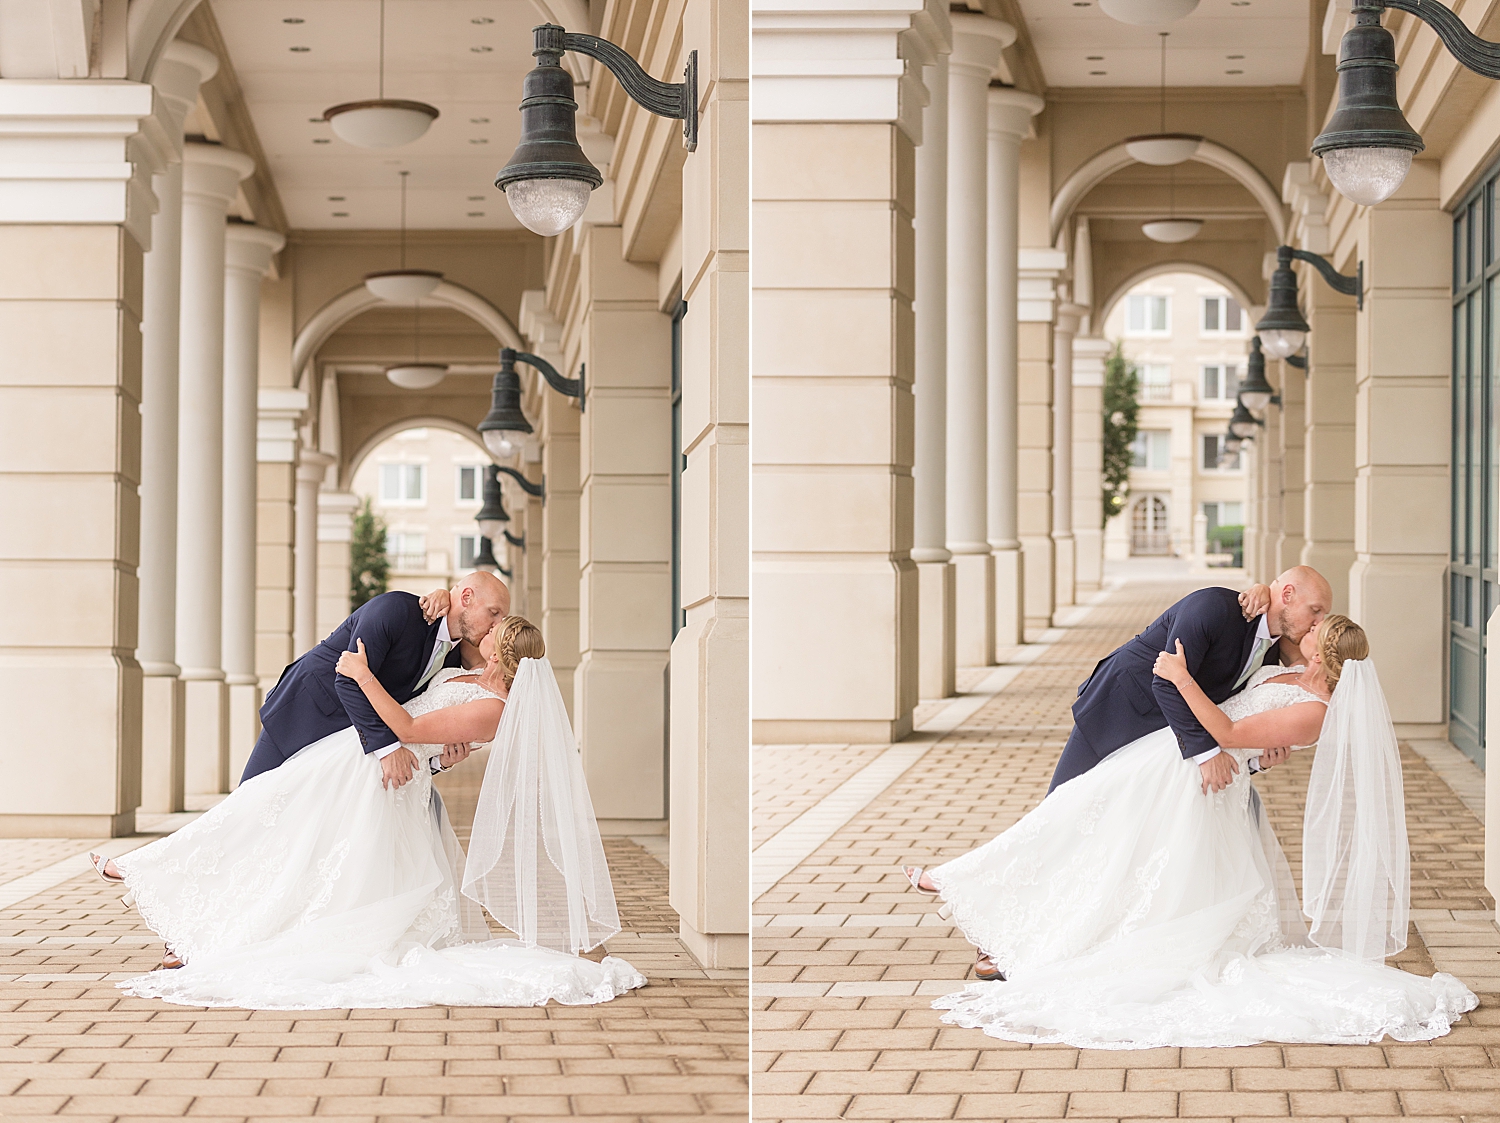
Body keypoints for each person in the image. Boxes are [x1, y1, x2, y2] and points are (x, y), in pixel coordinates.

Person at [900, 615, 1476, 1047]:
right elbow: (1248, 708)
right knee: (1082, 823)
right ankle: (973, 892)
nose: (1307, 625)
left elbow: (1227, 726)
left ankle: (962, 885)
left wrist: (1180, 675)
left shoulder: (1317, 711)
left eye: (1316, 626)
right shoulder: (1296, 672)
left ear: (1324, 655)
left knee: (1095, 833)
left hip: (1193, 778)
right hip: (1177, 761)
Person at [96, 617, 642, 1011]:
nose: (483, 636)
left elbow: (408, 731)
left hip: (378, 779)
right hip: (356, 758)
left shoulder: (493, 710)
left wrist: (361, 674)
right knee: (270, 820)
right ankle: (159, 880)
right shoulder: (469, 680)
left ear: (503, 656)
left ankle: (149, 874)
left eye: (493, 636)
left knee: (279, 826)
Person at [1044, 566, 1332, 796]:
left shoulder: (1271, 656)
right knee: (1062, 806)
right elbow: (1166, 678)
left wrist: (1258, 761)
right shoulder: (1212, 608)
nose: (1317, 622)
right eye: (1315, 610)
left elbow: (1232, 712)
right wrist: (1206, 755)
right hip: (1118, 712)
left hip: (1167, 744)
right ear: (1289, 594)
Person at [241, 571, 510, 788]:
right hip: (304, 714)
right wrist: (387, 749)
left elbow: (413, 715)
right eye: (494, 612)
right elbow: (347, 677)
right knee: (249, 806)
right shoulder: (394, 611)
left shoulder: (453, 661)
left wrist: (439, 760)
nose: (496, 624)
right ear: (466, 597)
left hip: (351, 747)